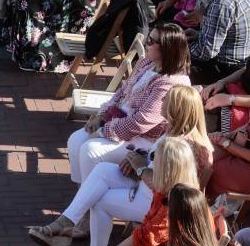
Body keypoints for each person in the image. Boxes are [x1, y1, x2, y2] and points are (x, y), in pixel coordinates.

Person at [30, 85, 213, 246]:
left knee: (100, 202)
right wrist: (138, 159)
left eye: (166, 99)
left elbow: (165, 189)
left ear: (176, 109)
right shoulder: (175, 132)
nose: (162, 102)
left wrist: (140, 168)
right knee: (102, 170)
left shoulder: (184, 146)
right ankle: (66, 223)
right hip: (146, 190)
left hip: (158, 206)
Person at [67, 24, 192, 183]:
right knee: (75, 140)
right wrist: (101, 116)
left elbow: (141, 122)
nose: (147, 43)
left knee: (90, 151)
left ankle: (91, 195)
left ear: (167, 48)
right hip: (120, 121)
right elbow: (123, 89)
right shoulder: (147, 62)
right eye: (148, 38)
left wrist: (104, 130)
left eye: (152, 41)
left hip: (145, 138)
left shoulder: (170, 82)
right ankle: (82, 189)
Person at [73, 137, 200, 246]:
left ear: (168, 171)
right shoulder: (167, 192)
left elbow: (148, 235)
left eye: (155, 164)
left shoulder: (178, 202)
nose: (151, 168)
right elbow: (149, 227)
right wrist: (144, 244)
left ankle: (71, 230)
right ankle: (68, 222)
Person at [205, 62, 250, 197]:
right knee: (201, 153)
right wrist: (227, 135)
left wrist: (226, 143)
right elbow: (249, 126)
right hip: (241, 147)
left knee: (208, 169)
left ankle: (194, 209)